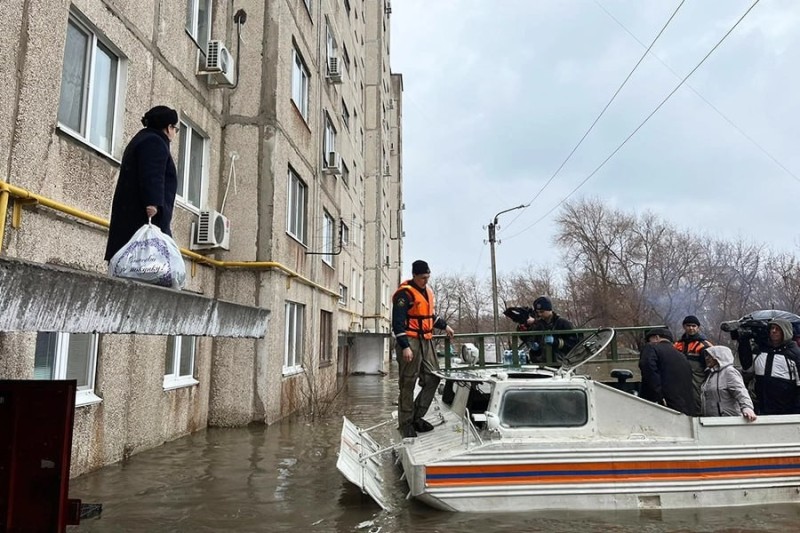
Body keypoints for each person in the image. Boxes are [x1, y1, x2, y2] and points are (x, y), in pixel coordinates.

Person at [104, 105, 180, 261]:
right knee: (150, 264)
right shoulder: (155, 142)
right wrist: (153, 203)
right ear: (168, 127)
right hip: (145, 218)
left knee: (130, 260)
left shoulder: (142, 139)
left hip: (132, 216)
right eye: (175, 129)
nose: (174, 133)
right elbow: (152, 174)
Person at [392, 260, 454, 438]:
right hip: (410, 340)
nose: (425, 281)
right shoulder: (404, 294)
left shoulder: (427, 292)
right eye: (422, 278)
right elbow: (397, 322)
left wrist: (445, 325)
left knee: (434, 377)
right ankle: (405, 424)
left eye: (428, 277)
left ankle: (416, 417)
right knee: (408, 382)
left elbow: (428, 315)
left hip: (426, 340)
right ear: (414, 276)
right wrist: (405, 346)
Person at [738, 318, 800, 415]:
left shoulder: (794, 354)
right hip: (761, 406)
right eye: (772, 328)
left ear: (786, 331)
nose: (774, 331)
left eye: (778, 329)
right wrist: (744, 342)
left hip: (787, 409)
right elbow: (748, 369)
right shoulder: (760, 350)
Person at [638, 328, 696, 415]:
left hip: (660, 406)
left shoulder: (651, 348)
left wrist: (658, 395)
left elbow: (647, 366)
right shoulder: (682, 356)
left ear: (657, 337)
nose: (649, 343)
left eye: (649, 340)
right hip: (683, 407)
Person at [700, 345, 756, 421]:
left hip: (728, 422)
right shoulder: (710, 374)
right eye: (706, 356)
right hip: (712, 422)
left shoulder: (729, 372)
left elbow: (740, 391)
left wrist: (747, 407)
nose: (706, 358)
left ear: (719, 356)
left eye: (710, 356)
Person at [673, 315, 713, 415]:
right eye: (688, 325)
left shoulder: (704, 345)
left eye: (694, 326)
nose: (691, 328)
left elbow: (712, 366)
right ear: (684, 327)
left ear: (698, 327)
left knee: (698, 406)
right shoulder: (677, 345)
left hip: (698, 383)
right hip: (680, 382)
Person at [523, 296, 579, 364]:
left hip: (561, 363)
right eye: (537, 312)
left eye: (542, 311)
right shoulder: (538, 325)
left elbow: (574, 344)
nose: (540, 314)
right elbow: (533, 341)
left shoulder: (563, 323)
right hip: (541, 363)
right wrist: (535, 349)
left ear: (549, 310)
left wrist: (557, 342)